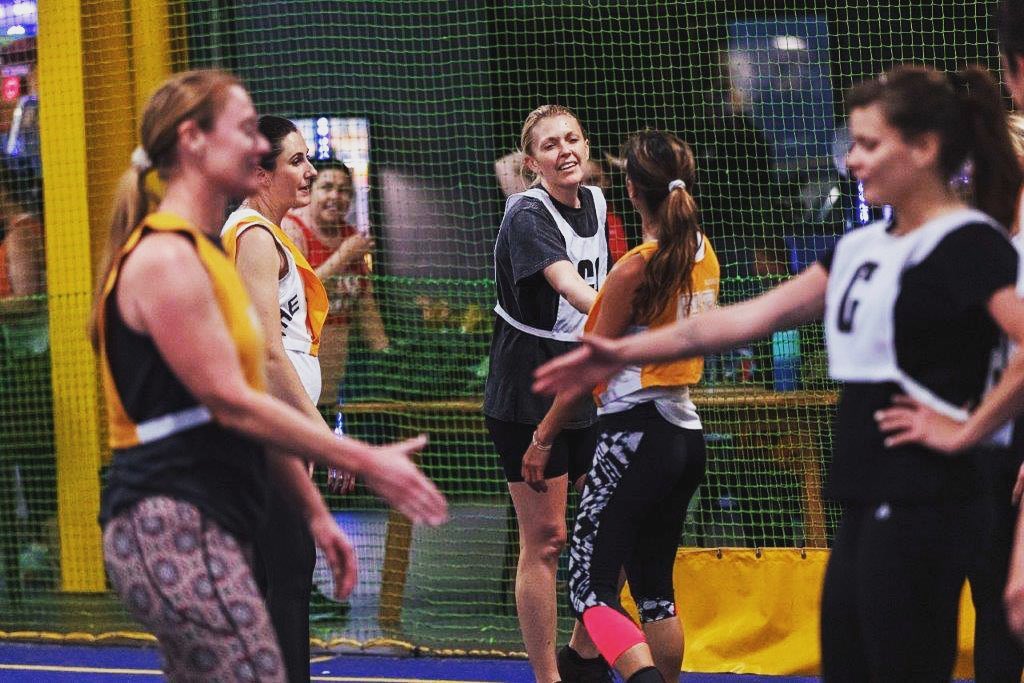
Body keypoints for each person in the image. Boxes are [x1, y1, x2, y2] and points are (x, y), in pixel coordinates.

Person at [535, 65, 1024, 680]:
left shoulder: (965, 242)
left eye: (870, 144)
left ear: (924, 149)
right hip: (862, 497)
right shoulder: (860, 248)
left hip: (927, 500)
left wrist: (968, 428)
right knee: (849, 660)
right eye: (853, 143)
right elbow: (746, 319)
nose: (853, 160)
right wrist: (621, 352)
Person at [94, 69, 446, 682]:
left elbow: (256, 399)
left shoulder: (207, 248)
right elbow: (237, 400)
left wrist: (311, 507)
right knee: (260, 666)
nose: (259, 146)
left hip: (215, 501)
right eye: (242, 128)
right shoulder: (165, 258)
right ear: (194, 142)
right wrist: (353, 454)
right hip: (167, 514)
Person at [528, 130, 718, 683]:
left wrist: (543, 437)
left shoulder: (636, 266)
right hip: (685, 433)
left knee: (589, 587)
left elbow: (592, 367)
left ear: (631, 191)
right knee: (655, 590)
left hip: (635, 433)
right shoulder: (702, 253)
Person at [222, 114, 353, 683]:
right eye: (296, 161)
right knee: (288, 573)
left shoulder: (269, 237)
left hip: (277, 428)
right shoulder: (252, 237)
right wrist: (321, 438)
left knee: (280, 575)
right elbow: (268, 356)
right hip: (265, 432)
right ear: (259, 172)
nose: (309, 171)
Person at [484, 104, 609, 683]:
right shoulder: (527, 216)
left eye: (574, 139)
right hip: (529, 386)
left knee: (614, 519)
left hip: (585, 378)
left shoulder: (598, 203)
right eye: (551, 145)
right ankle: (547, 678)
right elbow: (571, 285)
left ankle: (584, 652)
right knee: (546, 541)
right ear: (532, 161)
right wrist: (633, 324)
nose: (566, 151)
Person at [282, 160, 388, 410]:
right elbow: (295, 293)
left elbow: (364, 304)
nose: (335, 196)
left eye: (343, 190)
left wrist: (388, 356)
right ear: (310, 190)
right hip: (293, 383)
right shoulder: (291, 228)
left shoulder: (350, 237)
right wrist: (343, 256)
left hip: (331, 386)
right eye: (327, 187)